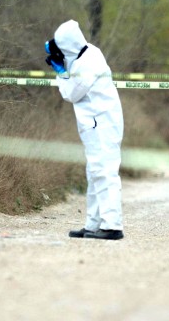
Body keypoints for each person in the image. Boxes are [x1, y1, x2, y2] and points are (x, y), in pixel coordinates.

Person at [44, 19, 124, 240]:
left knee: (104, 172)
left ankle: (112, 226)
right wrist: (64, 66)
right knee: (94, 172)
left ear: (67, 45)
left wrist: (60, 71)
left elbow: (71, 93)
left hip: (102, 124)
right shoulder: (88, 53)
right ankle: (94, 224)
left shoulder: (88, 63)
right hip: (96, 124)